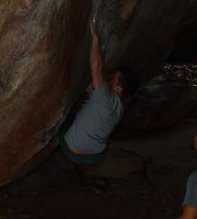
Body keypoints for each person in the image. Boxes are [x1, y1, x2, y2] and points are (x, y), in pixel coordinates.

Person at [58, 12, 140, 164]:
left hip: (73, 151)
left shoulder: (105, 96)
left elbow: (96, 66)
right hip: (96, 155)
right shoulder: (120, 108)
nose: (109, 77)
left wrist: (95, 38)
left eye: (113, 78)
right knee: (88, 100)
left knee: (62, 120)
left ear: (119, 89)